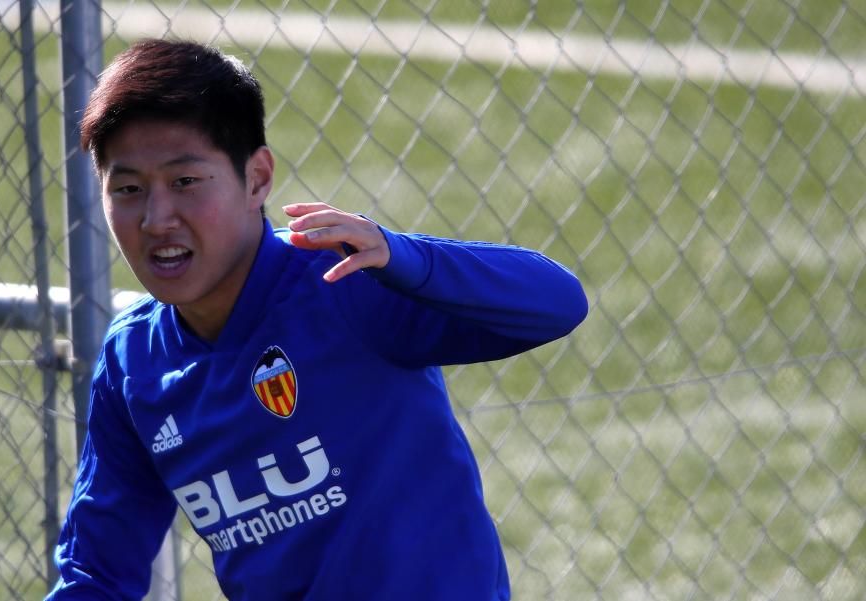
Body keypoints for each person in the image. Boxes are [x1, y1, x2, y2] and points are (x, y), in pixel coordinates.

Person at [46, 38, 588, 601]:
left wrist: (404, 257)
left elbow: (557, 303)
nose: (157, 219)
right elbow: (99, 575)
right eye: (128, 189)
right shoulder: (135, 363)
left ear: (257, 179)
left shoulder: (342, 284)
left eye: (184, 182)